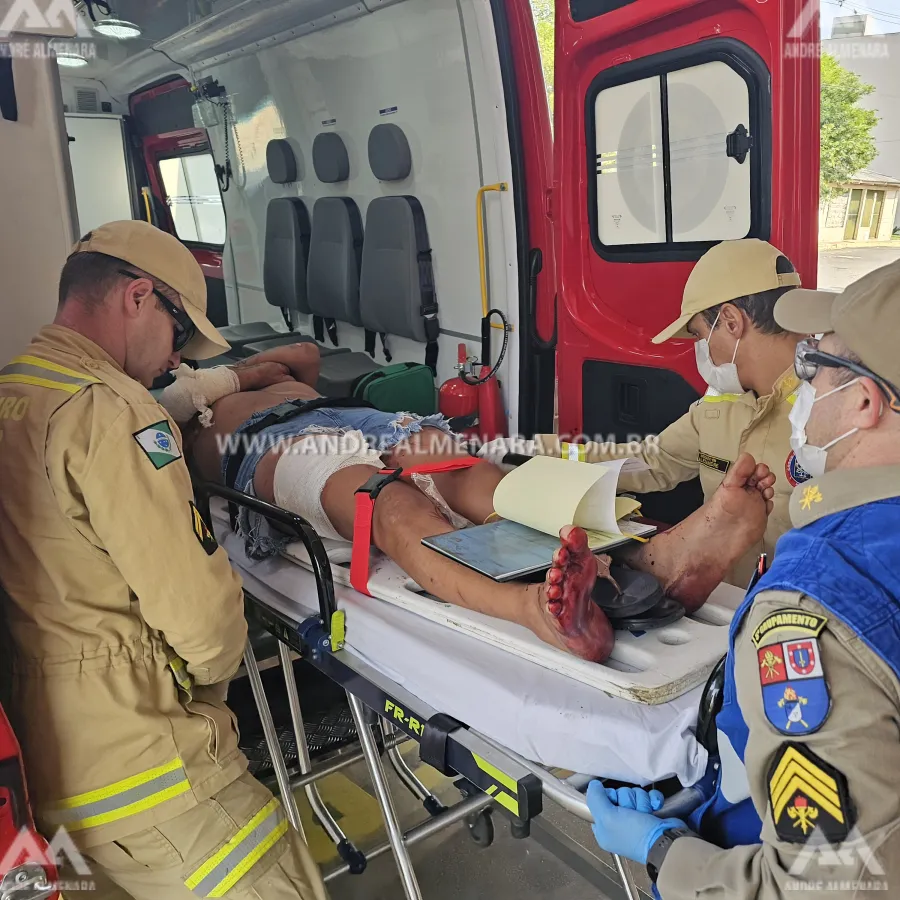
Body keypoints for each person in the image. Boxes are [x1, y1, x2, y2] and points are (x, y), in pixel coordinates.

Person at [0, 221, 328, 900]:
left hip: (55, 773)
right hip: (153, 774)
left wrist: (230, 380)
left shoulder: (20, 390)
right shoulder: (115, 415)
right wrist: (217, 668)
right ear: (139, 297)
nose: (175, 360)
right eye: (178, 335)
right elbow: (204, 626)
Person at [586, 261, 900, 897]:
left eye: (819, 366)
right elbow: (646, 463)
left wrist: (665, 854)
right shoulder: (716, 411)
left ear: (865, 401)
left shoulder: (815, 611)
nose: (804, 380)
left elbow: (828, 886)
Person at [173, 342, 775, 664]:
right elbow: (165, 423)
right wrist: (204, 387)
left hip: (355, 414)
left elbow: (303, 355)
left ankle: (651, 557)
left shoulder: (221, 376)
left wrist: (224, 376)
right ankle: (530, 607)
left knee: (469, 474)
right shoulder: (155, 404)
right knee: (383, 500)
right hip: (268, 444)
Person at [530, 238, 807, 588]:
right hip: (722, 604)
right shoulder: (721, 402)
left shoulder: (833, 409)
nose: (700, 350)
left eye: (699, 335)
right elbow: (652, 461)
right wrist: (539, 452)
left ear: (732, 322)